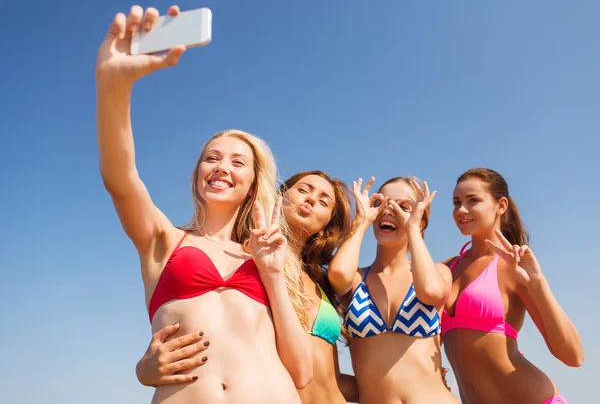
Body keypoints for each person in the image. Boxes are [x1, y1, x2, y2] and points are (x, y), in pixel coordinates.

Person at [96, 4, 312, 404]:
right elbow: (121, 180)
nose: (221, 167)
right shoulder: (163, 240)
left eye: (237, 161)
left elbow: (301, 372)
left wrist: (272, 275)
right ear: (197, 174)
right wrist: (113, 86)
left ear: (252, 185)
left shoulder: (268, 257)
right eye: (211, 158)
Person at [137, 171, 359, 403]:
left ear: (326, 226)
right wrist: (143, 369)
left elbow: (331, 378)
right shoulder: (245, 261)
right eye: (303, 190)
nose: (311, 199)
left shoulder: (320, 283)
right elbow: (215, 328)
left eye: (324, 201)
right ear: (278, 198)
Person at [441, 167, 584, 404]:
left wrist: (538, 284)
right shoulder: (446, 269)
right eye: (456, 202)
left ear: (501, 206)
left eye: (473, 200)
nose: (461, 210)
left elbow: (573, 356)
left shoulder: (512, 265)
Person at [328, 176, 458, 403]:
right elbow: (337, 276)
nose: (390, 210)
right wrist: (361, 220)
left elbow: (431, 292)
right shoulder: (356, 278)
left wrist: (413, 229)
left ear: (421, 221)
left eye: (403, 206)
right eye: (383, 203)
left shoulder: (438, 272)